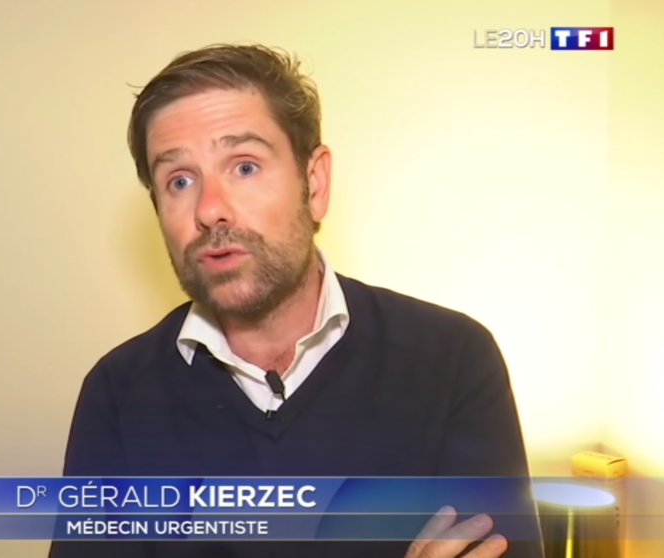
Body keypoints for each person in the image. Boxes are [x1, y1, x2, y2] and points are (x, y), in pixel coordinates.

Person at [49, 44, 543, 558]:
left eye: (244, 167)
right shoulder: (119, 393)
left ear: (315, 182)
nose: (210, 210)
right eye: (180, 180)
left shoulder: (452, 360)